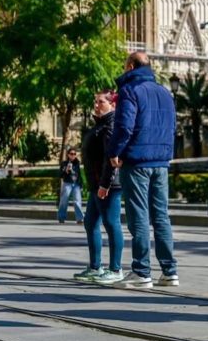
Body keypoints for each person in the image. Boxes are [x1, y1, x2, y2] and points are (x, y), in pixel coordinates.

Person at [108, 51, 178, 289]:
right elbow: (172, 126)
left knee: (138, 215)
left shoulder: (129, 90)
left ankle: (141, 271)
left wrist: (114, 152)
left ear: (130, 66)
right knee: (161, 216)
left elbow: (124, 126)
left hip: (137, 162)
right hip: (161, 162)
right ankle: (169, 271)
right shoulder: (165, 92)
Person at [74, 90, 124, 284]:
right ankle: (95, 267)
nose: (96, 105)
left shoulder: (110, 126)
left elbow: (110, 159)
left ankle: (116, 269)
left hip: (108, 185)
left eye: (101, 102)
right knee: (90, 223)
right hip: (96, 184)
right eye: (95, 102)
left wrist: (105, 184)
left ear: (113, 104)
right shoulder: (100, 125)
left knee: (111, 223)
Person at [57, 147, 84, 224]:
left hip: (76, 184)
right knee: (64, 201)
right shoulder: (64, 163)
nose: (73, 155)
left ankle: (80, 219)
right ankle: (61, 217)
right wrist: (66, 170)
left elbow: (79, 175)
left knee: (77, 201)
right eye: (71, 154)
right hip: (67, 183)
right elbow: (60, 175)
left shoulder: (77, 163)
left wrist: (81, 185)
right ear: (68, 155)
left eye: (74, 154)